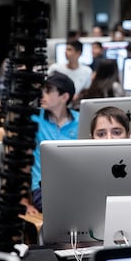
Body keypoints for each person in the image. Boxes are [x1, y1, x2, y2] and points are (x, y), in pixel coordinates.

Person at [29, 72, 79, 213]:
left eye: (48, 90)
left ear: (64, 97)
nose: (42, 94)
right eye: (43, 90)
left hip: (75, 184)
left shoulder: (81, 120)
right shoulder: (33, 119)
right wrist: (23, 201)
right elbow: (19, 160)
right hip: (42, 187)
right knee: (66, 210)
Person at [47, 40, 92, 104]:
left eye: (69, 49)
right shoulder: (55, 68)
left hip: (75, 105)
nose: (65, 52)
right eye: (66, 49)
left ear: (78, 53)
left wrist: (78, 97)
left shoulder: (87, 71)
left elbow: (85, 90)